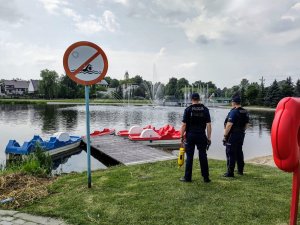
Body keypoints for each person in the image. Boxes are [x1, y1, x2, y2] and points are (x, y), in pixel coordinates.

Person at [180, 93, 212, 183]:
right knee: (203, 156)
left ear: (191, 99)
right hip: (201, 135)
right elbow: (209, 125)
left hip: (190, 135)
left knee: (189, 156)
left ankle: (187, 177)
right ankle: (206, 177)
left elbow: (183, 125)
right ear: (199, 99)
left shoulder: (188, 109)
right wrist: (209, 138)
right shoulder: (205, 109)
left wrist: (181, 136)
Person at [223, 95, 249, 177]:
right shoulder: (245, 112)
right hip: (241, 134)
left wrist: (225, 135)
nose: (231, 103)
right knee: (239, 151)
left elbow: (229, 124)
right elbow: (246, 124)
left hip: (233, 135)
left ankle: (230, 172)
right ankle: (240, 170)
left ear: (234, 102)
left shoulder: (234, 112)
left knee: (230, 152)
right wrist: (242, 131)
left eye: (231, 102)